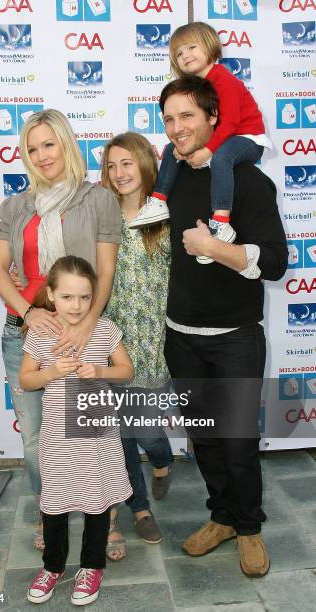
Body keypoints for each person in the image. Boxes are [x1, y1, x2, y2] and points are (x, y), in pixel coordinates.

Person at [160, 76, 288, 577]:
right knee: (205, 438)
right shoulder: (167, 181)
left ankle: (250, 528)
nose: (176, 128)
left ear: (214, 117)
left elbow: (276, 262)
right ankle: (223, 517)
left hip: (236, 337)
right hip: (180, 336)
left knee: (236, 441)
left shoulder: (248, 180)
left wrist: (216, 248)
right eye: (169, 119)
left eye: (187, 116)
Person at [0, 109, 121, 550]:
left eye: (49, 144)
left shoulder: (98, 199)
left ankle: (105, 520)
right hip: (23, 334)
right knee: (35, 440)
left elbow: (105, 271)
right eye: (32, 148)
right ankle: (52, 514)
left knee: (91, 433)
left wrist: (86, 328)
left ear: (66, 143)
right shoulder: (15, 205)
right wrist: (28, 312)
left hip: (82, 332)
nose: (42, 155)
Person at [19, 255, 133, 605]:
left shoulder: (105, 329)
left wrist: (99, 371)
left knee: (97, 502)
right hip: (57, 435)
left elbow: (126, 371)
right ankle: (52, 567)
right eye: (68, 297)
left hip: (97, 434)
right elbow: (26, 379)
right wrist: (53, 372)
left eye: (85, 297)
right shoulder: (40, 333)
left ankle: (91, 566)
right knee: (54, 504)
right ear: (51, 295)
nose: (77, 305)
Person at [129, 22, 272, 266]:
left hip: (248, 137)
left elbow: (229, 123)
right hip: (226, 138)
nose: (186, 56)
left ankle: (221, 224)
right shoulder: (198, 87)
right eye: (179, 54)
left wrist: (207, 150)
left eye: (191, 47)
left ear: (210, 47)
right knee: (171, 150)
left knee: (221, 158)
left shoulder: (223, 79)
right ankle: (159, 201)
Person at [101, 132, 173, 560]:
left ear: (146, 164)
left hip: (156, 341)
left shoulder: (165, 213)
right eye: (111, 166)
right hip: (112, 341)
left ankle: (163, 459)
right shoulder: (101, 216)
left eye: (126, 163)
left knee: (146, 429)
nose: (118, 173)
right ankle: (140, 507)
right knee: (120, 434)